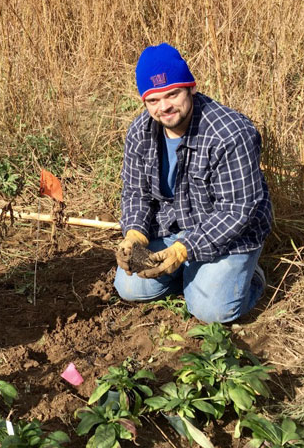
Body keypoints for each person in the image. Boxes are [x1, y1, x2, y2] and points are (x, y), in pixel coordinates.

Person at [114, 44, 272, 323]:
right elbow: (135, 193)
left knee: (213, 311)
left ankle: (252, 277)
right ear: (144, 101)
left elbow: (237, 211)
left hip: (228, 234)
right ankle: (192, 276)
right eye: (153, 100)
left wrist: (184, 249)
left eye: (173, 94)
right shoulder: (140, 132)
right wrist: (135, 233)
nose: (165, 107)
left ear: (192, 88)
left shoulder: (231, 133)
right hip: (172, 225)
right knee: (129, 288)